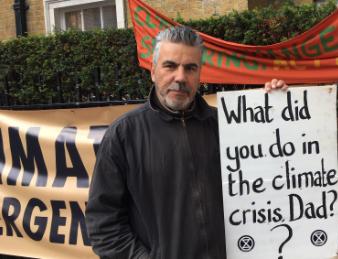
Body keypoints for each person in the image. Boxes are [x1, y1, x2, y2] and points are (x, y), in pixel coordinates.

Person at [85, 26, 288, 259]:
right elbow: (104, 225)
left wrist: (276, 111)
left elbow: (271, 176)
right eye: (170, 66)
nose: (180, 77)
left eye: (190, 68)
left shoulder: (227, 126)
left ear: (199, 75)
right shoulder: (124, 134)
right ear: (153, 71)